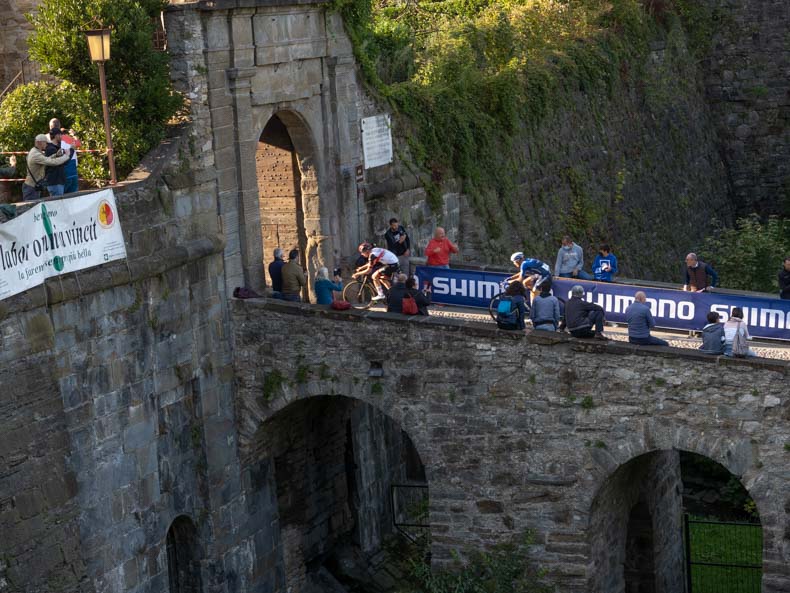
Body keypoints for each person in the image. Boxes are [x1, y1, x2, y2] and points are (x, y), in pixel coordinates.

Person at [23, 134, 70, 201]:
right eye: (45, 142)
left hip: (32, 186)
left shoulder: (34, 151)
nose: (47, 144)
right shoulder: (36, 155)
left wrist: (56, 155)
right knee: (30, 208)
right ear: (39, 142)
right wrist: (66, 156)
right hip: (31, 188)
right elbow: (52, 162)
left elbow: (45, 159)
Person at [50, 118, 80, 194]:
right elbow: (78, 144)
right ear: (59, 126)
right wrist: (74, 134)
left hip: (61, 174)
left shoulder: (49, 138)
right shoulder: (66, 138)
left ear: (50, 127)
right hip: (73, 172)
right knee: (73, 199)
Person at [44, 128, 73, 197]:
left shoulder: (55, 147)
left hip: (57, 181)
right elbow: (63, 162)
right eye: (60, 135)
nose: (61, 137)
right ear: (56, 135)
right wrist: (71, 151)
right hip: (55, 182)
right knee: (58, 205)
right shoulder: (51, 149)